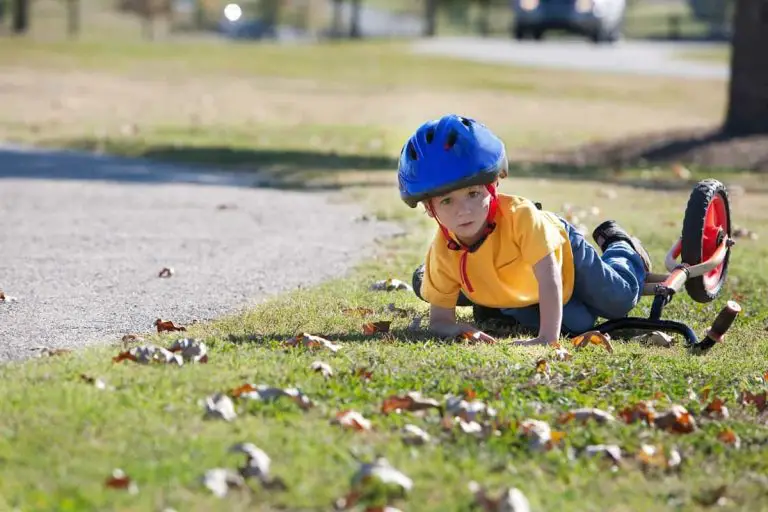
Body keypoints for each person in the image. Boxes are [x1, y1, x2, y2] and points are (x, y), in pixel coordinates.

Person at [399, 114, 651, 345]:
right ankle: (495, 307)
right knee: (579, 323)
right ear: (429, 209)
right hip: (516, 285)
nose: (463, 210)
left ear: (492, 187)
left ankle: (620, 244)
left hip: (562, 252)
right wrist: (460, 329)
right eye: (446, 201)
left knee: (619, 300)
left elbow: (549, 276)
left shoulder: (522, 218)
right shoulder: (443, 251)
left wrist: (547, 338)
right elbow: (440, 321)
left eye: (473, 194)